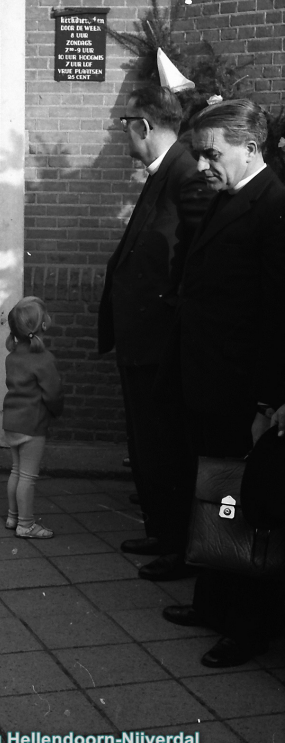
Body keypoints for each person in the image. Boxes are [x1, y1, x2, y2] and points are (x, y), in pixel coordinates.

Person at [161, 99, 285, 667]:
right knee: (213, 493)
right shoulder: (229, 195)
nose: (204, 166)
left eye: (213, 153)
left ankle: (246, 627)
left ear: (250, 146)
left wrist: (268, 400)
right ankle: (212, 602)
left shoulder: (272, 204)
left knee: (239, 501)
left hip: (242, 391)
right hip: (207, 380)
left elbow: (276, 314)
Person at [98, 86, 215, 581]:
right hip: (143, 340)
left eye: (125, 123)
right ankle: (161, 532)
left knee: (164, 448)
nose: (121, 131)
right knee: (148, 445)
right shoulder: (164, 172)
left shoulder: (186, 177)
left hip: (160, 344)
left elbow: (198, 261)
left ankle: (177, 547)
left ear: (144, 126)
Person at [2, 297, 64, 539]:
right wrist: (56, 411)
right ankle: (26, 524)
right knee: (28, 476)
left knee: (16, 471)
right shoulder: (44, 359)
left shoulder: (13, 357)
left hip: (12, 422)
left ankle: (12, 516)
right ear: (43, 326)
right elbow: (53, 393)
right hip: (33, 424)